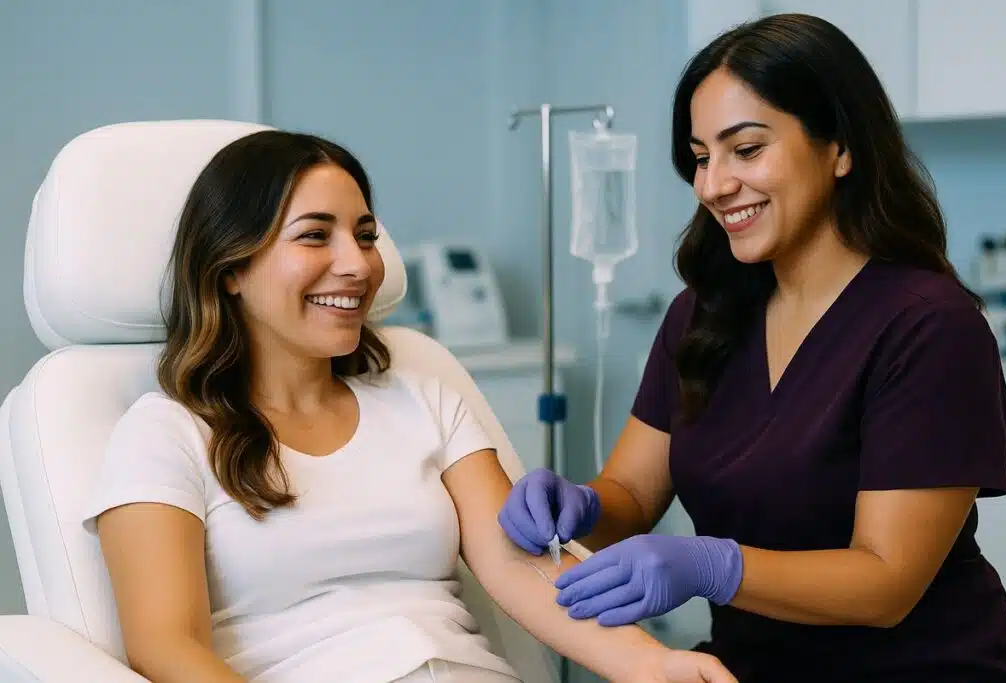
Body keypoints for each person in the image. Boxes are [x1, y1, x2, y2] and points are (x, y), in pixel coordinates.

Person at [79, 129, 736, 683]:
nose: (357, 264)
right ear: (231, 268)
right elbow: (165, 645)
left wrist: (653, 663)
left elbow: (522, 569)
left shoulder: (424, 398)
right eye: (315, 236)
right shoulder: (166, 434)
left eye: (365, 235)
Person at [498, 12, 1006, 683]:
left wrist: (715, 566)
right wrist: (582, 507)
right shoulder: (703, 316)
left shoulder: (928, 328)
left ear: (840, 148)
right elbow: (631, 490)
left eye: (745, 150)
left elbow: (887, 581)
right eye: (700, 157)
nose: (712, 185)